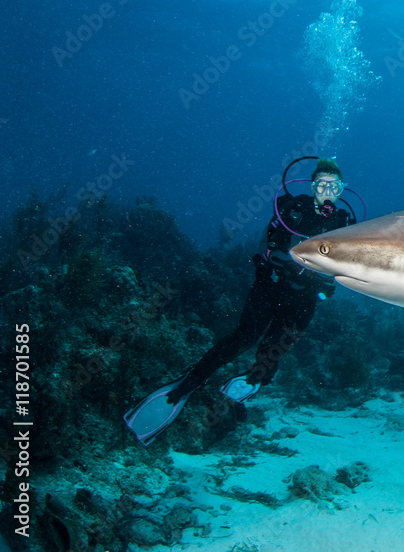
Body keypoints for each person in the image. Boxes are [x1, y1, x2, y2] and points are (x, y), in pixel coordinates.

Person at [124, 158, 355, 445]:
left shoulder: (346, 223)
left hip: (305, 299)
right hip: (271, 286)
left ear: (342, 189)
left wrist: (326, 281)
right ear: (312, 186)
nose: (327, 190)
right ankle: (188, 383)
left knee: (274, 351)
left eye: (333, 186)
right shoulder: (292, 209)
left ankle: (247, 386)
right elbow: (270, 249)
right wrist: (299, 269)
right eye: (321, 184)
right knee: (242, 337)